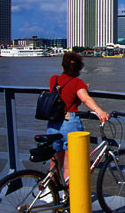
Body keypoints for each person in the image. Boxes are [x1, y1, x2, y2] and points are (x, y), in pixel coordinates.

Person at [47, 52, 110, 181]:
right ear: (79, 68)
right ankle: (69, 198)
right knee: (69, 168)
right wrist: (100, 111)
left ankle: (51, 193)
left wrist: (81, 87)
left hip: (53, 124)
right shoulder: (77, 83)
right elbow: (85, 99)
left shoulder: (54, 79)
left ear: (63, 65)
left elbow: (64, 94)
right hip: (69, 124)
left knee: (55, 163)